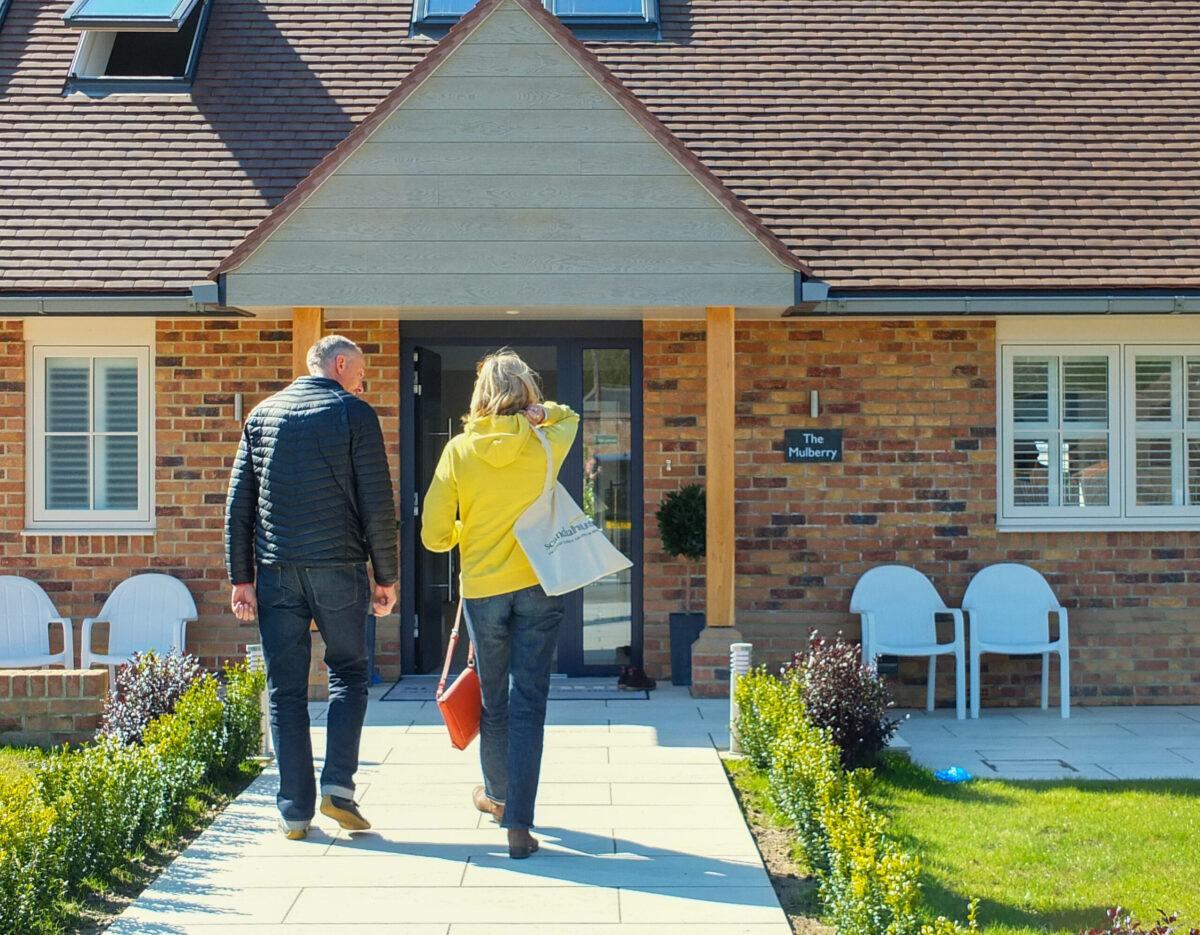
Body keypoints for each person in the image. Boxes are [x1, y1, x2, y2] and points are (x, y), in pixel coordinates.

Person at [225, 334, 398, 840]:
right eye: (361, 371)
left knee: (286, 690)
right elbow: (378, 505)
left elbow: (238, 507)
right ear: (340, 364)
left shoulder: (262, 415)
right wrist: (384, 576)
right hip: (339, 570)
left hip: (277, 572)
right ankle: (338, 788)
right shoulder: (355, 414)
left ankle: (294, 811)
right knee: (348, 673)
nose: (363, 382)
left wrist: (242, 579)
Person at [421, 349, 579, 859]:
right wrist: (540, 413)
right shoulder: (546, 440)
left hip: (484, 591)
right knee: (529, 704)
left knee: (496, 701)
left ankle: (495, 796)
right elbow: (570, 415)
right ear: (526, 392)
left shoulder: (459, 451)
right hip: (538, 583)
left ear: (481, 395)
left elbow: (433, 535)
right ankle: (519, 825)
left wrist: (467, 532)